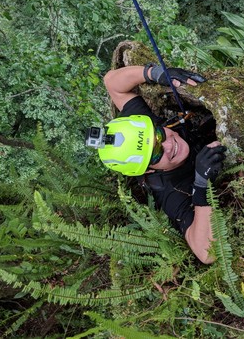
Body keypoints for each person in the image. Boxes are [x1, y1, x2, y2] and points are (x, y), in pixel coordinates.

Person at [88, 64, 226, 264]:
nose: (169, 145)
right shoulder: (171, 191)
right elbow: (206, 253)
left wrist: (155, 73)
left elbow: (111, 82)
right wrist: (202, 185)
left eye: (160, 135)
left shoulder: (140, 130)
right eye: (156, 154)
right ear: (149, 169)